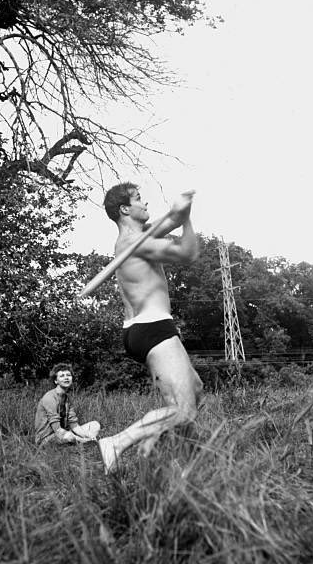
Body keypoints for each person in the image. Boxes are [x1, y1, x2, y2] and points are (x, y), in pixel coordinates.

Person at [97, 183, 203, 473]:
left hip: (142, 328)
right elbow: (187, 253)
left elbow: (168, 221)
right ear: (125, 209)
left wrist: (181, 212)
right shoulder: (136, 243)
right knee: (183, 409)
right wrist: (189, 219)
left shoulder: (133, 239)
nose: (145, 203)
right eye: (139, 199)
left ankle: (181, 467)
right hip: (153, 327)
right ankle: (117, 443)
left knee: (195, 390)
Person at [34, 363, 100, 446]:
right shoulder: (49, 398)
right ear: (56, 381)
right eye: (62, 376)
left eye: (68, 375)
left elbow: (74, 425)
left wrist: (89, 435)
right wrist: (83, 439)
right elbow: (57, 429)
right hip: (45, 438)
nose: (66, 378)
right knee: (69, 436)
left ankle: (82, 442)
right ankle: (83, 443)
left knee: (95, 425)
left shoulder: (67, 399)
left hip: (63, 433)